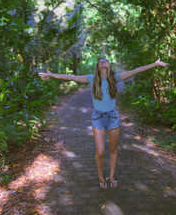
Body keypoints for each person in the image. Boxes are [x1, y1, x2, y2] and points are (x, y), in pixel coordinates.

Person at [38, 58, 169, 189]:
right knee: (100, 151)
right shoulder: (92, 79)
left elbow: (135, 71)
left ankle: (111, 177)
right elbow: (72, 77)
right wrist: (51, 74)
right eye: (101, 61)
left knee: (113, 149)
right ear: (98, 66)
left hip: (113, 117)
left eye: (105, 60)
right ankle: (101, 176)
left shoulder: (115, 78)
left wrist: (155, 64)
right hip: (98, 118)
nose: (103, 61)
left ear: (109, 64)